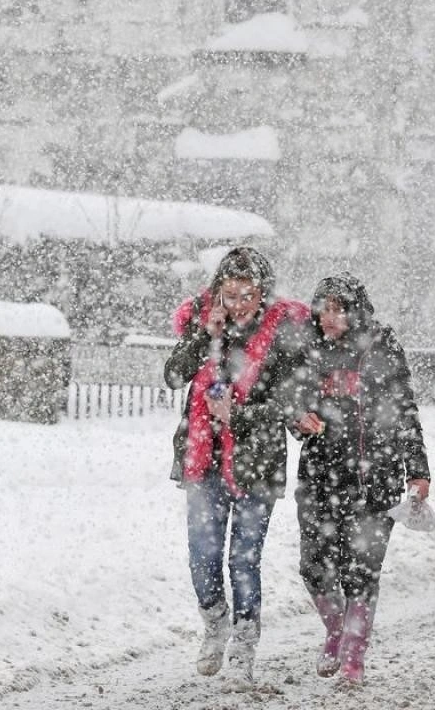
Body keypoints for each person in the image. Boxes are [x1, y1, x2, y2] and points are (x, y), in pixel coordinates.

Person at [163, 246, 310, 686]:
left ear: (262, 293)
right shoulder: (205, 325)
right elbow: (172, 376)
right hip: (202, 460)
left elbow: (292, 404)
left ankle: (244, 646)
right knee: (202, 556)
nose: (239, 304)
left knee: (243, 560)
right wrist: (202, 337)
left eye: (248, 294)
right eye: (230, 294)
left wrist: (239, 416)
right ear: (218, 292)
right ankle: (215, 623)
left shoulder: (282, 336)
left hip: (257, 465)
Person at [291, 272, 431, 685]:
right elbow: (292, 404)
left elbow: (405, 413)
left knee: (361, 570)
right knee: (314, 566)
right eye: (323, 310)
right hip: (319, 478)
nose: (329, 318)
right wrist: (299, 419)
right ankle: (335, 630)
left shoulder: (382, 350)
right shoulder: (309, 352)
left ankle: (354, 653)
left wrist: (418, 471)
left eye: (338, 310)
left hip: (375, 479)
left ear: (356, 312)